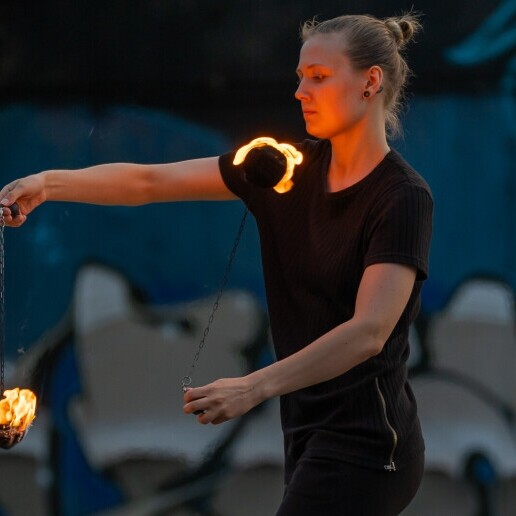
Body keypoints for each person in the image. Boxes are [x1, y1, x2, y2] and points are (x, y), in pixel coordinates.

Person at [1, 12, 432, 516]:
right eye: (299, 77)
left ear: (370, 82)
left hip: (372, 447)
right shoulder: (280, 170)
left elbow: (369, 332)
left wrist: (253, 385)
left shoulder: (401, 198)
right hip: (307, 434)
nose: (300, 91)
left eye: (318, 76)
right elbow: (150, 183)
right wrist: (50, 184)